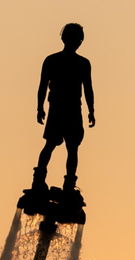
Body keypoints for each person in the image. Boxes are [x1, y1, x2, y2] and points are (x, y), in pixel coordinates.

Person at [32, 23, 95, 193]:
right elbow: (43, 86)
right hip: (66, 110)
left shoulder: (55, 60)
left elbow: (87, 89)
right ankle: (57, 182)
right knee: (65, 147)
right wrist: (91, 111)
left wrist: (91, 110)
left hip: (64, 109)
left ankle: (45, 180)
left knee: (58, 146)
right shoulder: (78, 63)